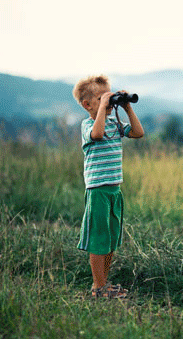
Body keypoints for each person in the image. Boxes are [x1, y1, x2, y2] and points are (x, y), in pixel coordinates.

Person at [71, 75, 146, 298]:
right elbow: (97, 134)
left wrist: (126, 108)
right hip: (98, 191)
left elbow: (138, 133)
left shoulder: (114, 123)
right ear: (87, 105)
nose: (108, 100)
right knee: (99, 238)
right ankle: (98, 287)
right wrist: (103, 108)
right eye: (102, 97)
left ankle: (104, 282)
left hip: (115, 190)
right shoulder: (88, 125)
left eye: (109, 95)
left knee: (112, 238)